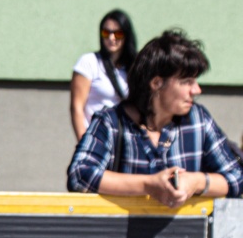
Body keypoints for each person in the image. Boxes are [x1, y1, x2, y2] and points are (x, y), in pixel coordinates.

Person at [67, 29, 243, 203]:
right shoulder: (110, 123)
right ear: (157, 83)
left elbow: (237, 177)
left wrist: (196, 182)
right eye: (187, 82)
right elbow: (79, 175)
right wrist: (148, 185)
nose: (197, 90)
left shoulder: (199, 120)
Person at [70, 9, 138, 141]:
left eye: (118, 33)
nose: (111, 38)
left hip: (124, 140)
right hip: (96, 138)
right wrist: (84, 142)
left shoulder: (133, 67)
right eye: (106, 33)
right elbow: (77, 107)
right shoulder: (89, 62)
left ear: (126, 35)